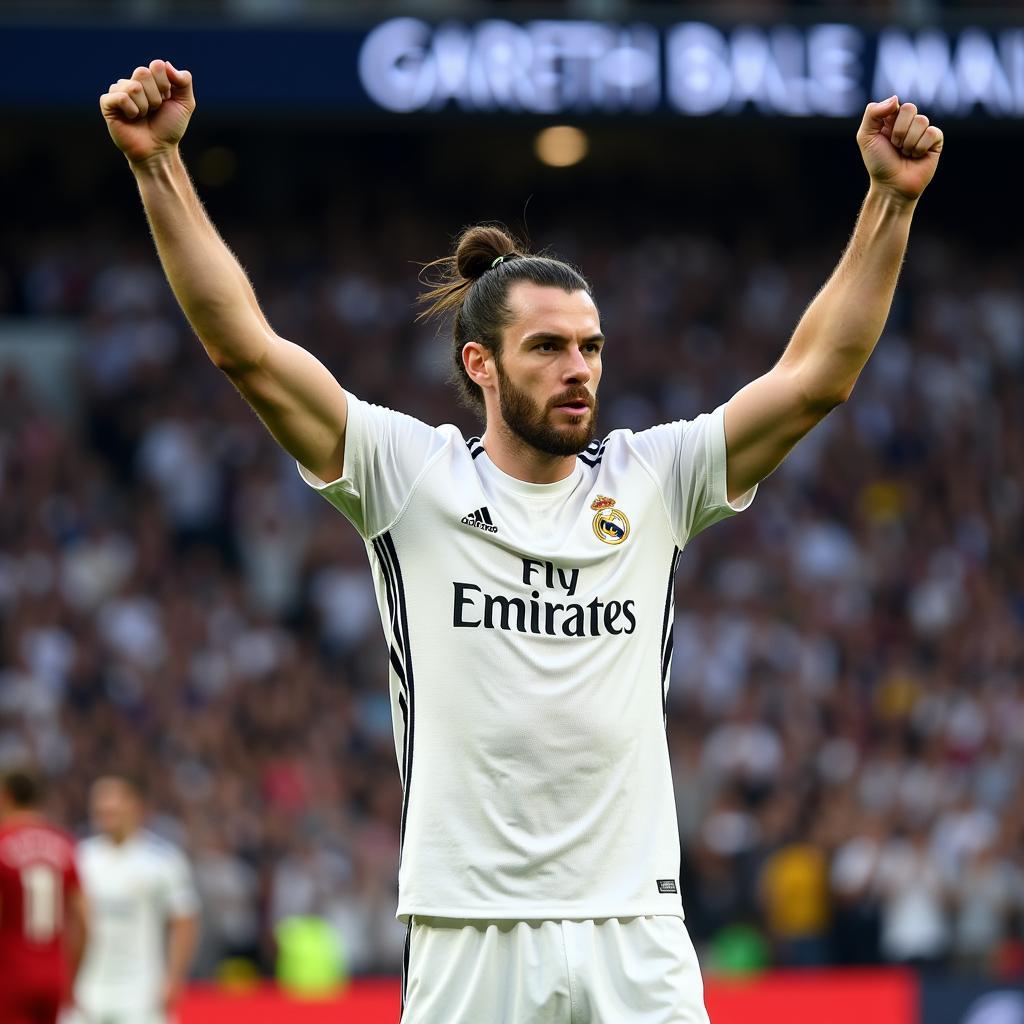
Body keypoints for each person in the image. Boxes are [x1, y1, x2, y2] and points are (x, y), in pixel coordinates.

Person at [99, 59, 943, 1022]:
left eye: (590, 345)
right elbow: (244, 346)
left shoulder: (654, 479)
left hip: (637, 926)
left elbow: (816, 378)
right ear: (481, 363)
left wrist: (888, 201)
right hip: (471, 930)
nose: (578, 368)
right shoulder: (408, 477)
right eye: (547, 347)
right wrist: (160, 163)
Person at [69, 774, 199, 1024]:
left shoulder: (162, 861)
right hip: (87, 988)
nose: (105, 808)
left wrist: (174, 978)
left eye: (113, 800)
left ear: (135, 806)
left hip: (141, 990)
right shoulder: (80, 857)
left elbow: (185, 921)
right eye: (100, 802)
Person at [0, 768, 88, 1024]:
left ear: (5, 796)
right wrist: (73, 975)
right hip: (54, 974)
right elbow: (84, 920)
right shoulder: (65, 844)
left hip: (10, 974)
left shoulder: (3, 842)